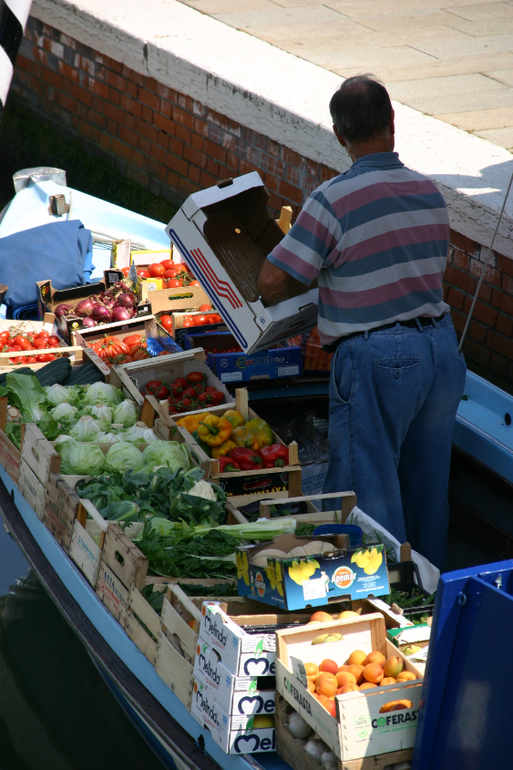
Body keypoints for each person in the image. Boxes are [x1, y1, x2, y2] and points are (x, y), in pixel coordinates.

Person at [257, 75, 466, 570]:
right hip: (441, 351)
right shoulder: (429, 191)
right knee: (427, 491)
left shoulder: (332, 199)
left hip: (380, 358)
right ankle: (428, 593)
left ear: (339, 135)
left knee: (367, 493)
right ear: (392, 123)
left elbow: (270, 282)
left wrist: (321, 275)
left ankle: (381, 595)